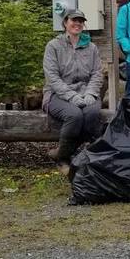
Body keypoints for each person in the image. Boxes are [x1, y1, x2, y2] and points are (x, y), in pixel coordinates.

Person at [42, 9, 103, 175]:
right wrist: (72, 96)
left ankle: (69, 152)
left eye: (81, 21)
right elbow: (52, 78)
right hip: (57, 94)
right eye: (73, 20)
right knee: (74, 115)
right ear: (65, 23)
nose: (77, 23)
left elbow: (97, 73)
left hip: (86, 91)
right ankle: (62, 158)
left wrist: (90, 93)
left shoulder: (91, 47)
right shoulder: (53, 46)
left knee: (91, 114)